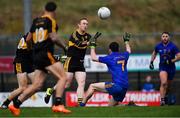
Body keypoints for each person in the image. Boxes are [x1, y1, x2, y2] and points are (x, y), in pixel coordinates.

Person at [8, 2, 71, 116]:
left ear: (44, 9)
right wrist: (64, 47)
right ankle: (58, 104)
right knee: (63, 77)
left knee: (37, 85)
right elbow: (53, 37)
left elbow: (28, 39)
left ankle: (15, 105)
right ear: (54, 11)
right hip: (45, 53)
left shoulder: (36, 21)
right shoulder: (50, 21)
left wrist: (35, 48)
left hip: (36, 55)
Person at [44, 18, 101, 105]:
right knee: (66, 84)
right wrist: (90, 42)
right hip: (70, 61)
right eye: (83, 23)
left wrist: (94, 41)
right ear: (79, 25)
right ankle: (50, 90)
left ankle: (80, 104)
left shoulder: (88, 36)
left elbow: (91, 44)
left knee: (81, 83)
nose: (85, 26)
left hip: (80, 62)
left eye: (86, 24)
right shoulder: (74, 34)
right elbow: (79, 44)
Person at [80, 32, 131, 106]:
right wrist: (126, 42)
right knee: (110, 107)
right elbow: (128, 51)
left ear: (110, 50)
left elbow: (93, 58)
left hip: (116, 86)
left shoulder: (109, 57)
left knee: (92, 86)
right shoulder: (124, 56)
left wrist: (92, 46)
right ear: (118, 49)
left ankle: (81, 105)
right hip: (125, 87)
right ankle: (130, 105)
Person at [1, 33, 34, 109]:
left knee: (37, 84)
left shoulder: (34, 33)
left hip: (28, 62)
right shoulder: (32, 34)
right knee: (22, 88)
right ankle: (6, 103)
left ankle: (16, 96)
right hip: (21, 61)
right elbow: (29, 42)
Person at [149, 32, 180, 106]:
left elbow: (179, 56)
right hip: (163, 67)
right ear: (161, 38)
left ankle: (165, 96)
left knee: (168, 86)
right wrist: (151, 62)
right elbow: (154, 53)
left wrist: (171, 61)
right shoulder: (158, 46)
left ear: (168, 38)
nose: (165, 38)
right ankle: (162, 101)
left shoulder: (173, 46)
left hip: (171, 68)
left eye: (166, 36)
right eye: (163, 36)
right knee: (163, 83)